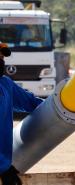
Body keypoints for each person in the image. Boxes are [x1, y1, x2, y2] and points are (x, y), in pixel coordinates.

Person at [0, 43, 43, 185]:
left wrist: (61, 104)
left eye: (2, 58)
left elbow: (31, 103)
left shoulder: (5, 84)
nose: (1, 61)